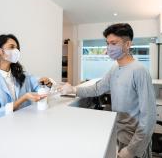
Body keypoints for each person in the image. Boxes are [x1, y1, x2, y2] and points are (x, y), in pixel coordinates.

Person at [60, 23, 156, 158]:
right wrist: (74, 89)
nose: (109, 48)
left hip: (133, 140)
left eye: (114, 43)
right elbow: (98, 88)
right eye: (108, 43)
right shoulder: (115, 68)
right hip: (119, 133)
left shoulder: (139, 71)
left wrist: (132, 149)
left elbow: (149, 116)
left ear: (127, 45)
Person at [0, 34, 51, 123]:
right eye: (11, 47)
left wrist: (47, 83)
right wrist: (23, 99)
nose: (16, 51)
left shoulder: (23, 75)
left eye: (17, 48)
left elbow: (42, 87)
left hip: (21, 124)